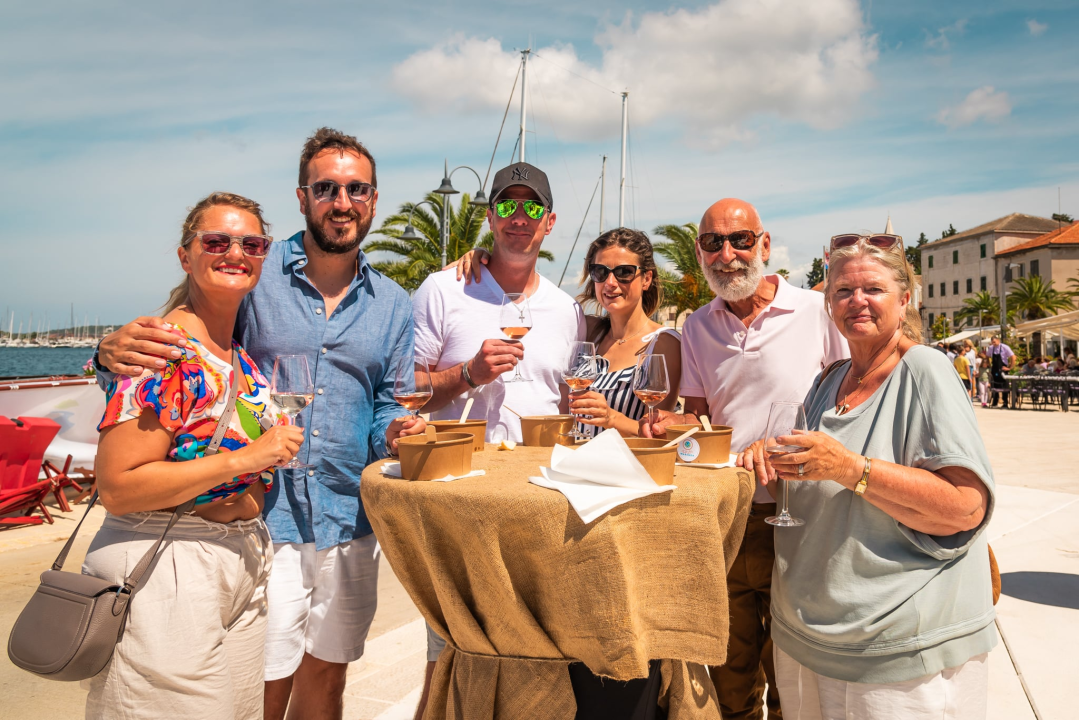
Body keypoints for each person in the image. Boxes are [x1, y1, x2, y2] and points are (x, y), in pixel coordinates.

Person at [94, 128, 424, 720]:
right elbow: (181, 356)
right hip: (263, 518)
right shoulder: (251, 271)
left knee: (327, 679)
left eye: (356, 189)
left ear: (374, 199)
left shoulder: (396, 304)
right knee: (258, 687)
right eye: (326, 188)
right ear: (303, 197)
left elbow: (386, 406)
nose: (341, 202)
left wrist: (396, 432)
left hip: (350, 517)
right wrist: (106, 353)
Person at [741, 232, 995, 720]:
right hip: (806, 636)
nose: (856, 301)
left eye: (872, 289)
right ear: (827, 303)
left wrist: (850, 468)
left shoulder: (925, 370)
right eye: (842, 291)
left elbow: (965, 508)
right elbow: (812, 487)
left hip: (893, 652)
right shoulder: (829, 379)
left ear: (904, 298)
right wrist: (771, 463)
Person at [84, 193, 304, 719]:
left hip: (236, 561)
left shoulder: (233, 351)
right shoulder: (163, 350)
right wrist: (245, 460)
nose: (234, 252)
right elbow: (116, 486)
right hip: (169, 566)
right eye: (216, 241)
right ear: (186, 256)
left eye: (250, 243)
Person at [640, 199, 848, 720]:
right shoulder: (696, 327)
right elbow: (701, 419)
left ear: (766, 245)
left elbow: (850, 405)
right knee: (728, 668)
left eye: (740, 240)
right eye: (713, 243)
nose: (727, 254)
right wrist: (672, 425)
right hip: (728, 514)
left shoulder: (814, 311)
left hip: (801, 515)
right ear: (699, 252)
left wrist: (785, 447)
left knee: (792, 670)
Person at [410, 161, 586, 717]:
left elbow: (566, 405)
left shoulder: (566, 310)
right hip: (458, 504)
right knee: (449, 656)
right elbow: (405, 389)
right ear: (489, 216)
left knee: (535, 658)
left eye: (532, 208)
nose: (518, 218)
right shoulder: (444, 289)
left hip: (538, 506)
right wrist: (468, 374)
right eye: (506, 206)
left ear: (550, 222)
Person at [453, 226, 682, 437]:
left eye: (624, 272)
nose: (610, 282)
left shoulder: (663, 343)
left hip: (625, 469)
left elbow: (659, 433)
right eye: (600, 272)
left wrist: (612, 418)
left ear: (647, 278)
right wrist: (482, 257)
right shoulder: (590, 330)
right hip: (573, 464)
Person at [987, 335, 1016, 408]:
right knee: (994, 385)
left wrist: (1010, 367)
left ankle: (1005, 403)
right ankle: (994, 402)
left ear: (998, 340)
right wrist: (989, 365)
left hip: (1003, 369)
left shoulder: (1005, 347)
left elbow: (1013, 356)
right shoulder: (991, 348)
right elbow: (987, 356)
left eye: (994, 342)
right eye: (992, 342)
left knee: (1005, 386)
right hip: (995, 369)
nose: (993, 343)